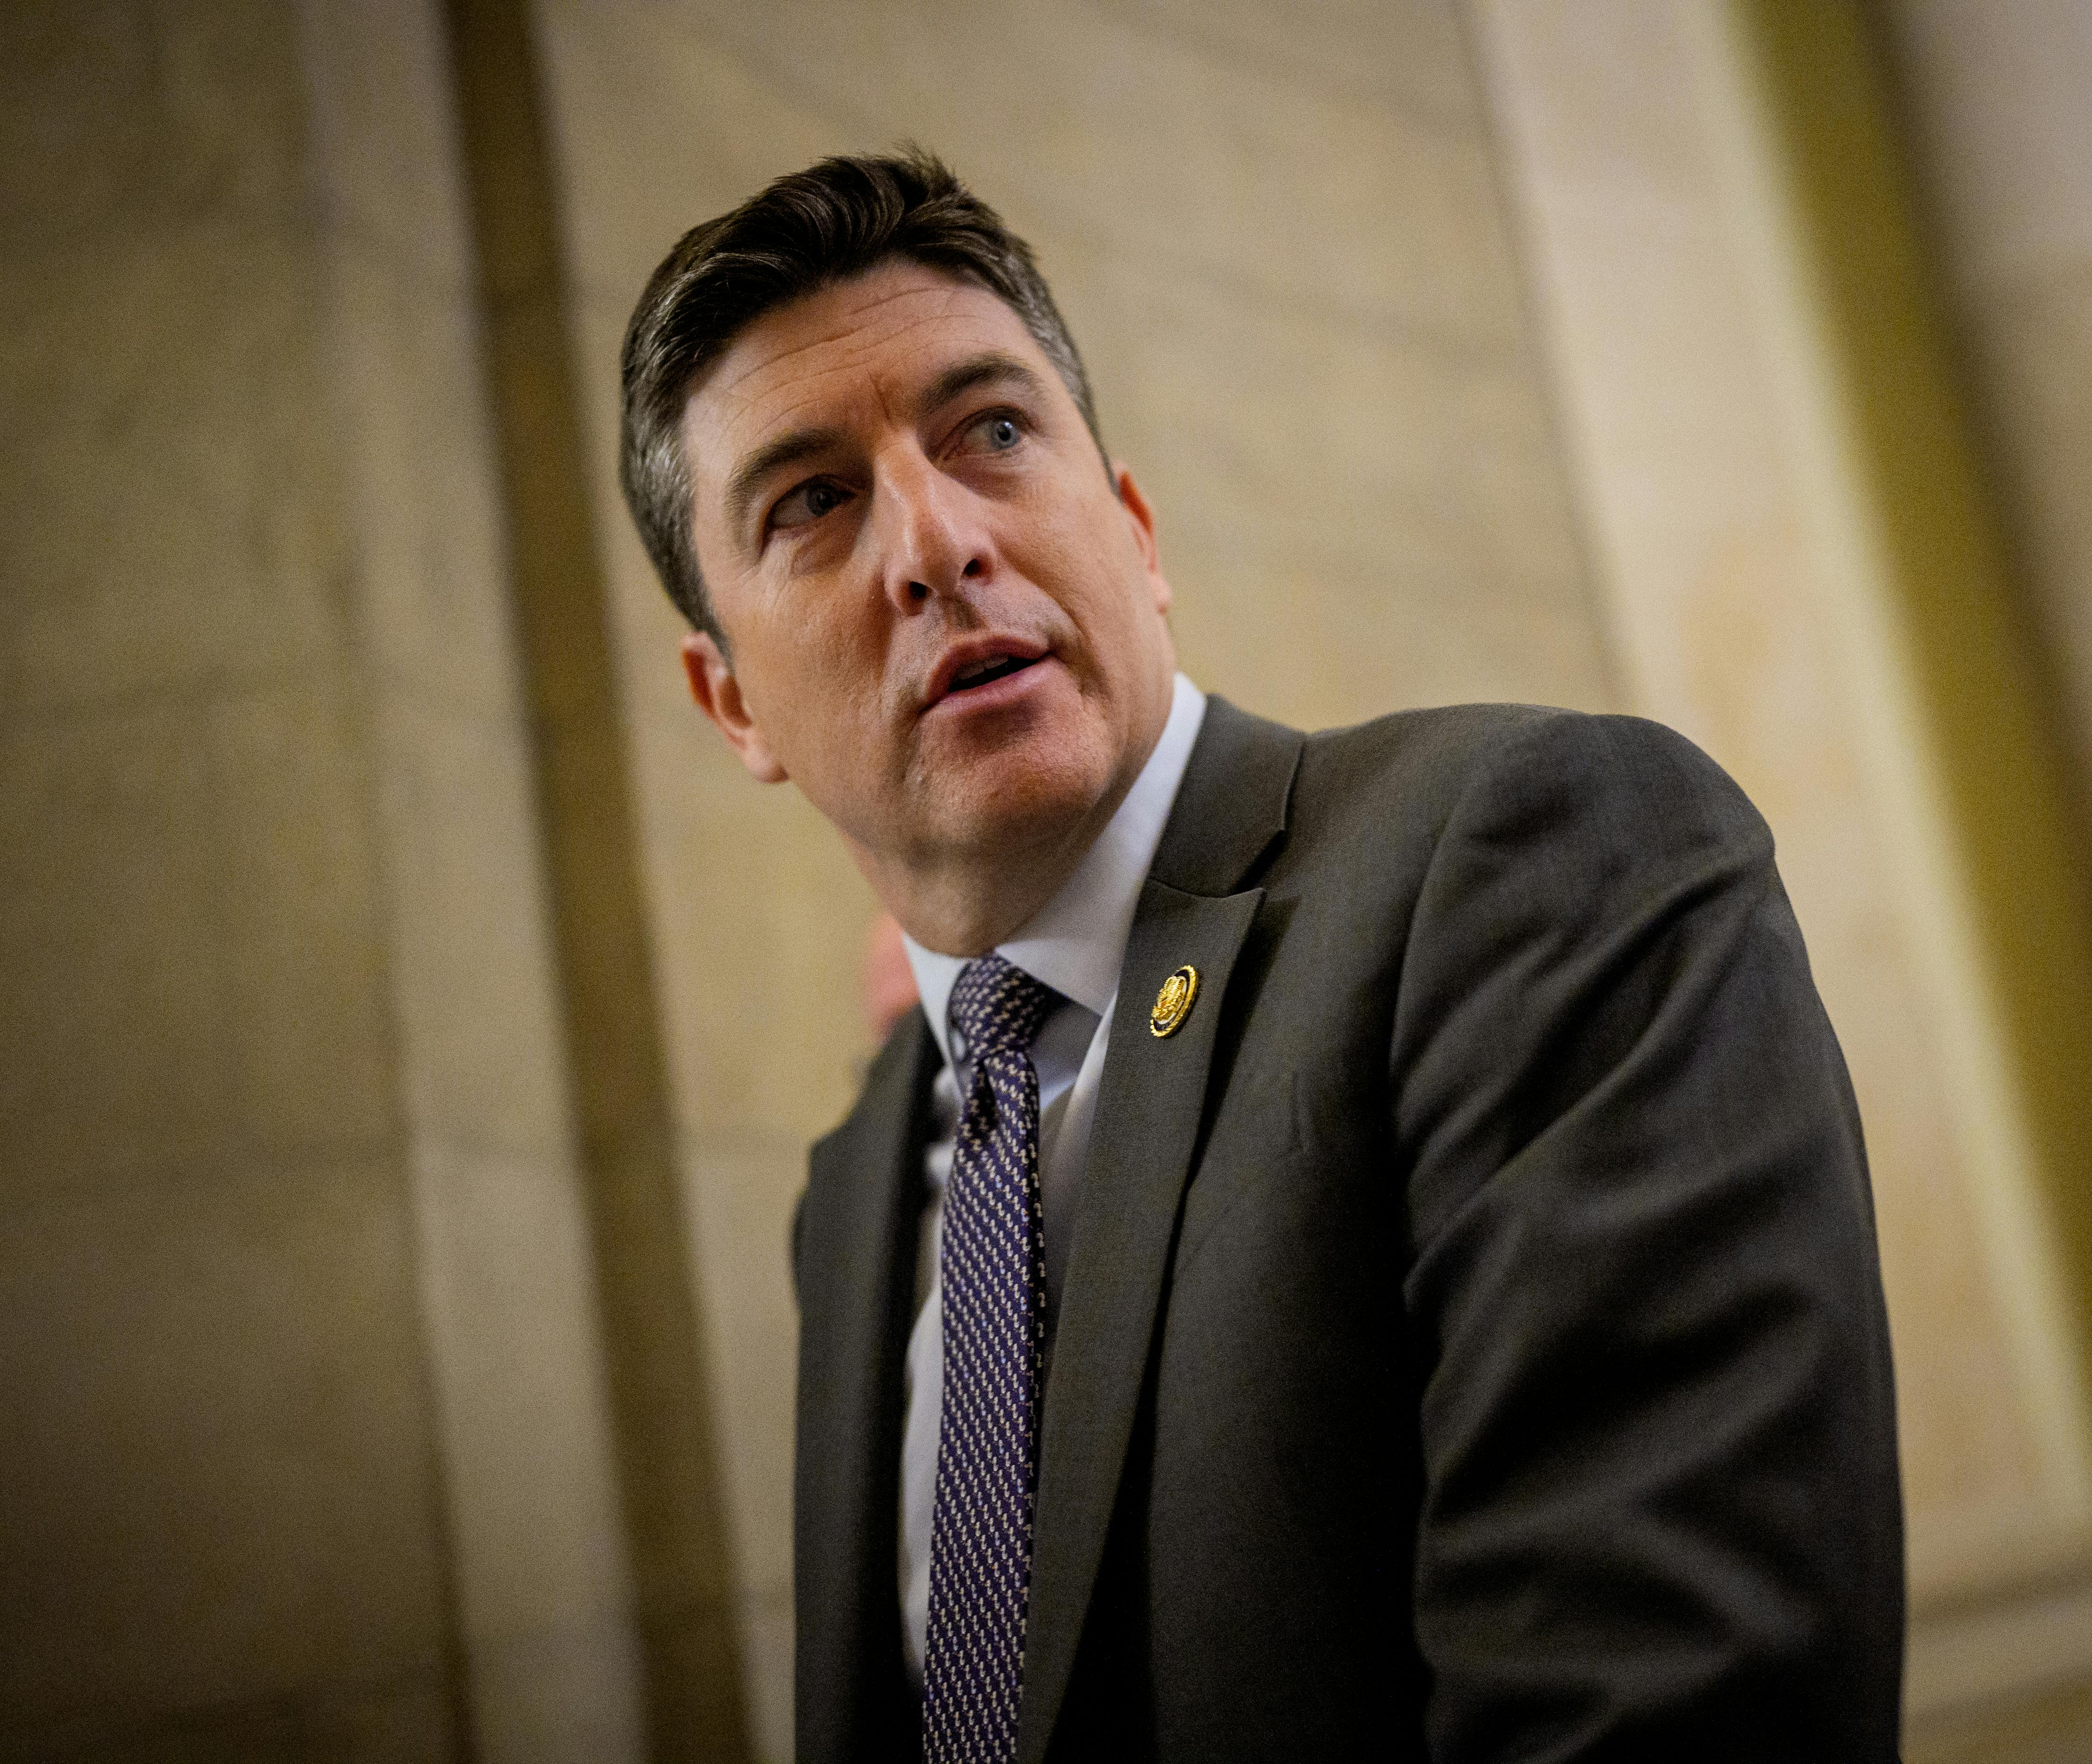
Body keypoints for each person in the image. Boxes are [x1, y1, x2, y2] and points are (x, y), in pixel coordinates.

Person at [618, 149, 1903, 1763]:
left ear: (1139, 532)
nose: (937, 541)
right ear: (733, 704)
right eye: (812, 501)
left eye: (993, 432)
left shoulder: (1532, 858)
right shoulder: (861, 1182)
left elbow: (1678, 1707)